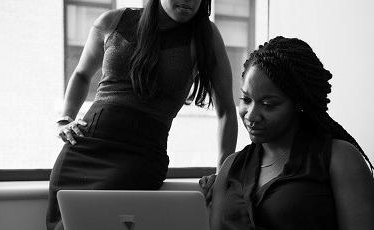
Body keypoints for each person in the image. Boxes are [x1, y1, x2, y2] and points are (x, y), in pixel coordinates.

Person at [47, 0, 238, 229]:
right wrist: (65, 119)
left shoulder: (204, 36)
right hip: (83, 150)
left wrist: (221, 177)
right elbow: (81, 74)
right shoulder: (112, 21)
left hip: (140, 157)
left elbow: (226, 110)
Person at [199, 36, 374, 230]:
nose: (251, 115)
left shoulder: (339, 158)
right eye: (246, 99)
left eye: (268, 105)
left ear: (299, 104)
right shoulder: (231, 166)